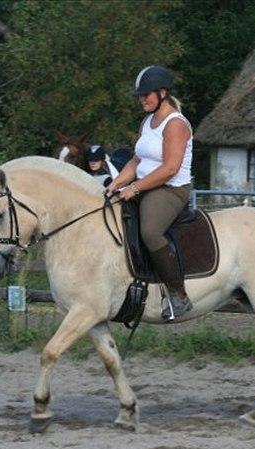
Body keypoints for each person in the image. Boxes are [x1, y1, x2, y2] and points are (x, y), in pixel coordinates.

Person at [106, 65, 193, 320]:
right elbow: (136, 161)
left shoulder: (175, 124)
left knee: (150, 231)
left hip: (170, 190)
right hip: (145, 185)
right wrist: (115, 184)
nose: (142, 99)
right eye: (140, 96)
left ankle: (178, 295)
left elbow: (169, 168)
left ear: (163, 93)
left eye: (146, 95)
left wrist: (133, 188)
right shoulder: (147, 121)